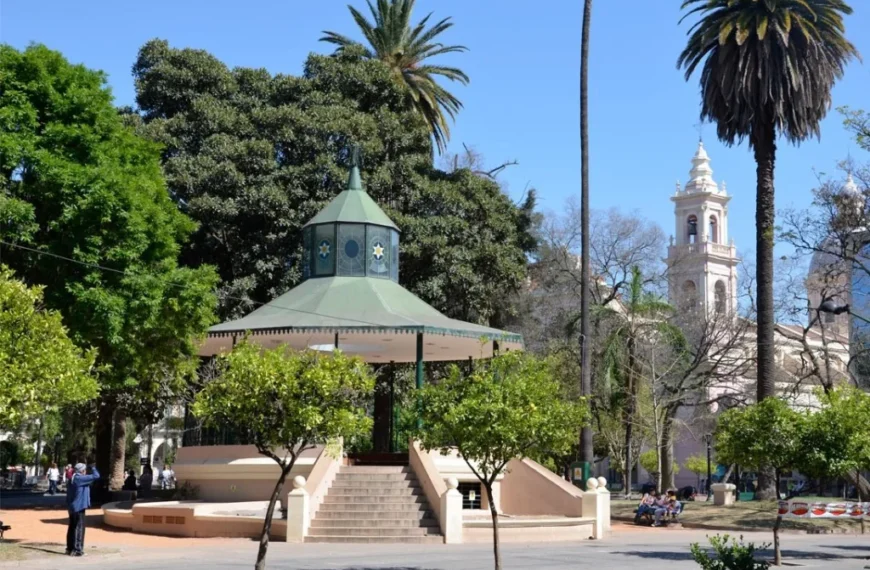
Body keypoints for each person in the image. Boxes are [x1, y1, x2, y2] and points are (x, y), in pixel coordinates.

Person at [65, 463, 100, 556]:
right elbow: (96, 476)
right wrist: (93, 467)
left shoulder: (72, 478)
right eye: (85, 470)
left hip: (72, 506)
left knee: (72, 527)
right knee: (79, 528)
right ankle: (77, 550)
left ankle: (70, 548)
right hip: (79, 506)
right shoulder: (80, 478)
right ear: (82, 470)